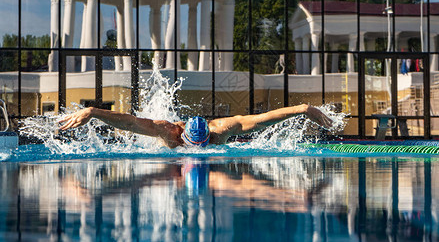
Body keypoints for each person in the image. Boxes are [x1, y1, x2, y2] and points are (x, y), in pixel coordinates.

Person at [59, 104, 333, 148]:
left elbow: (263, 119)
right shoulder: (168, 131)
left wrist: (302, 109)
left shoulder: (222, 129)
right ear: (184, 135)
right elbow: (130, 122)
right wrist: (93, 111)